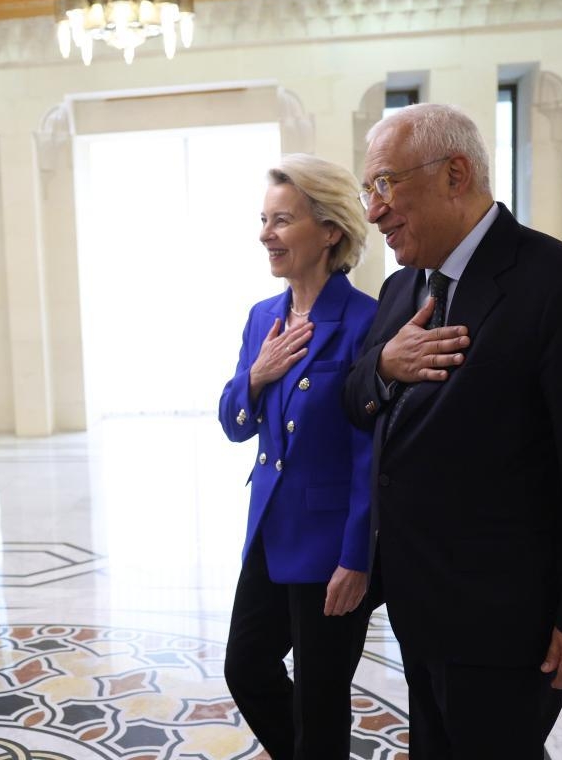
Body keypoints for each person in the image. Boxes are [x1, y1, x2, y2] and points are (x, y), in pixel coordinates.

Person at [343, 103, 562, 759]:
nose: (373, 211)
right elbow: (355, 394)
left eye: (387, 185)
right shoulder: (400, 292)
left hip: (508, 619)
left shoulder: (559, 287)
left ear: (455, 173)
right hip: (421, 607)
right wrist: (386, 366)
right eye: (370, 190)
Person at [219, 153, 377, 759]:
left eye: (282, 220)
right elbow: (235, 423)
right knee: (247, 667)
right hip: (270, 531)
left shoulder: (365, 321)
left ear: (330, 230)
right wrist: (256, 377)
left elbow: (371, 450)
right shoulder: (264, 317)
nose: (266, 234)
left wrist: (357, 554)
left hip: (331, 546)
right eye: (264, 219)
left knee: (320, 697)